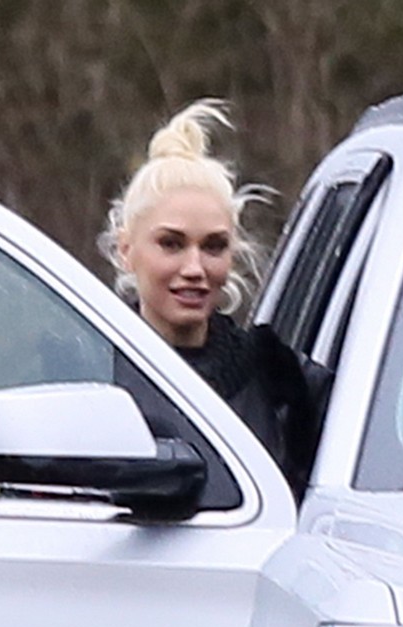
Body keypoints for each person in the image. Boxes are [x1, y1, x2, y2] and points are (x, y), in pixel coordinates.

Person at [98, 98, 331, 500]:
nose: (195, 268)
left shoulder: (280, 380)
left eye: (213, 246)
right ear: (126, 250)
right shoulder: (93, 372)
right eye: (171, 244)